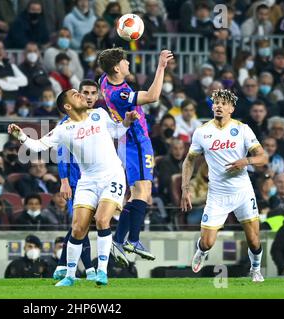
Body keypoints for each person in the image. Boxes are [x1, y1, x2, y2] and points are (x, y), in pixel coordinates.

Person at [8, 88, 140, 286]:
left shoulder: (99, 114)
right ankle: (70, 275)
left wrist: (127, 121)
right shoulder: (63, 129)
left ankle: (102, 271)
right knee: (78, 229)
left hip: (112, 175)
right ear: (68, 106)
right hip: (87, 181)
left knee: (102, 220)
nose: (82, 95)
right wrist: (21, 136)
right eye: (76, 94)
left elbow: (117, 131)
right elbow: (38, 146)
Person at [181, 89, 268, 282]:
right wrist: (185, 189)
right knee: (207, 242)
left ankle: (255, 269)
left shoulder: (242, 129)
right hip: (218, 194)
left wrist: (245, 161)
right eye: (216, 103)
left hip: (243, 192)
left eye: (223, 103)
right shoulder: (202, 132)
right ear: (212, 106)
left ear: (231, 108)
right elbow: (189, 161)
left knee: (254, 239)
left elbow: (263, 157)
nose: (219, 106)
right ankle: (201, 252)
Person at [97, 48, 173, 263]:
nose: (128, 64)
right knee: (142, 192)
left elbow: (105, 65)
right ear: (116, 68)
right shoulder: (117, 93)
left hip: (128, 141)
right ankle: (132, 240)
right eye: (124, 61)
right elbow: (153, 96)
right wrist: (161, 67)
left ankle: (120, 241)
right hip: (135, 141)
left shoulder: (105, 80)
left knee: (139, 193)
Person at [53, 80, 100, 281]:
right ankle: (89, 269)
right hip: (75, 181)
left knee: (80, 225)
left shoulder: (96, 118)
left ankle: (62, 266)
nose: (88, 97)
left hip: (94, 180)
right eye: (84, 93)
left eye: (93, 93)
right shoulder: (66, 124)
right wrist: (64, 180)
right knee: (80, 224)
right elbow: (62, 153)